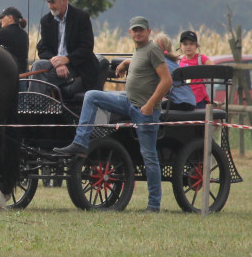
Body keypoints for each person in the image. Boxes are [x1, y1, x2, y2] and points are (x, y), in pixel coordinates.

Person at [54, 16, 171, 212]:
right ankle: (81, 142)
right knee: (91, 96)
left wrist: (150, 105)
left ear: (149, 32)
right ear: (130, 32)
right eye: (134, 30)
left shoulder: (153, 50)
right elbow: (140, 61)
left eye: (141, 30)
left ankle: (154, 204)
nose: (137, 33)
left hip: (145, 110)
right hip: (128, 102)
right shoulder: (141, 50)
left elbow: (166, 81)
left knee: (149, 157)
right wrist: (126, 63)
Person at [29, 0, 98, 95]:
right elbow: (43, 48)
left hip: (77, 64)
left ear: (64, 0)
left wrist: (66, 59)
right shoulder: (46, 21)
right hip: (55, 63)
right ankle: (33, 104)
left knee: (43, 78)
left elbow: (87, 47)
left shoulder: (81, 17)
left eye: (53, 2)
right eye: (48, 3)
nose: (50, 6)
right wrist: (57, 63)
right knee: (37, 65)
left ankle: (34, 106)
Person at [153, 32, 196, 111]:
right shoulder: (173, 62)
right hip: (191, 102)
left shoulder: (160, 63)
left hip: (180, 103)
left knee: (151, 106)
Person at [177, 30, 211, 108]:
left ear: (196, 46)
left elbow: (215, 71)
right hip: (184, 99)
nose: (188, 47)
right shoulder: (179, 61)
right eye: (185, 44)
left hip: (199, 100)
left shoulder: (202, 59)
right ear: (180, 46)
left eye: (191, 44)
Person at [0, 6, 29, 73]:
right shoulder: (24, 34)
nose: (1, 20)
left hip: (7, 73)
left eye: (2, 17)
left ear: (10, 18)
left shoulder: (2, 33)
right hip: (22, 73)